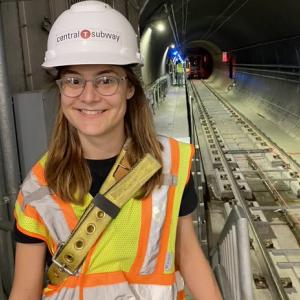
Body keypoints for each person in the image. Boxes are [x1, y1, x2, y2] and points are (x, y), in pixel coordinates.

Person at [9, 1, 222, 299]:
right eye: (73, 80)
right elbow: (25, 290)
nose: (89, 96)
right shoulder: (38, 185)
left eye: (106, 80)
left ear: (129, 88)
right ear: (60, 89)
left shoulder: (170, 162)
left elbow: (188, 255)